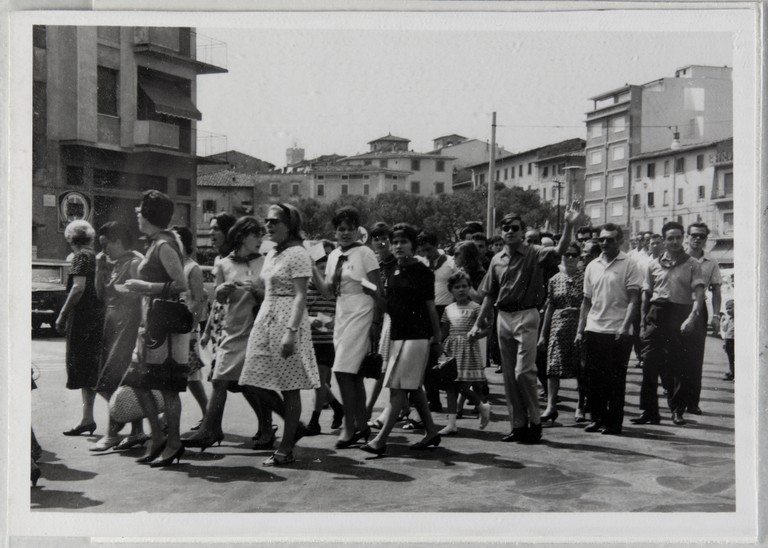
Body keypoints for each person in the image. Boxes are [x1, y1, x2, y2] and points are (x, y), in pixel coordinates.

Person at [468, 203, 581, 444]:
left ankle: (535, 421)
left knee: (523, 373)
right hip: (503, 317)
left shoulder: (534, 252)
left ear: (523, 231)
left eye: (515, 228)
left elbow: (559, 251)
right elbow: (489, 293)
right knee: (509, 376)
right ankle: (518, 425)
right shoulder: (497, 259)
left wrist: (569, 225)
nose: (510, 231)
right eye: (506, 228)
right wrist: (479, 323)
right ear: (501, 232)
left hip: (527, 314)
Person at [239, 203, 320, 466]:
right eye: (267, 221)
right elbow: (266, 289)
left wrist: (291, 332)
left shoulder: (297, 253)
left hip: (287, 320)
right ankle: (293, 425)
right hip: (266, 316)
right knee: (249, 378)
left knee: (290, 387)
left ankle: (285, 449)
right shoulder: (273, 253)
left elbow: (300, 296)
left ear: (290, 224)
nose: (269, 225)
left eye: (275, 221)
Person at [185, 217, 273, 451]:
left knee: (250, 382)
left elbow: (272, 295)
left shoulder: (265, 262)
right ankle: (212, 429)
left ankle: (262, 428)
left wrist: (257, 291)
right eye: (256, 235)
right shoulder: (224, 264)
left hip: (257, 328)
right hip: (231, 330)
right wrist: (221, 291)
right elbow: (218, 301)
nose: (260, 240)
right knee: (224, 380)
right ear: (242, 236)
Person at [360, 223, 443, 456]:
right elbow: (391, 309)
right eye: (395, 242)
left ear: (413, 246)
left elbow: (430, 307)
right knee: (414, 389)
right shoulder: (394, 271)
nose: (397, 246)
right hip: (398, 335)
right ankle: (431, 432)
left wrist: (436, 337)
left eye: (403, 242)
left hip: (416, 337)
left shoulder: (423, 272)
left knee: (397, 389)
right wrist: (375, 294)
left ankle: (380, 440)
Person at [122, 190, 190, 467]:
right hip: (151, 323)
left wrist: (144, 287)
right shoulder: (156, 243)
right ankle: (159, 437)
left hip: (165, 326)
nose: (136, 214)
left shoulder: (163, 245)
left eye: (139, 210)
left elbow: (181, 284)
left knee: (168, 388)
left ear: (148, 215)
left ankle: (173, 442)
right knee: (138, 381)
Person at [312, 207, 384, 449]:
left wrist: (375, 322)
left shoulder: (365, 253)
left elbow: (378, 290)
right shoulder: (333, 256)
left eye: (350, 228)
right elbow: (328, 291)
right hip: (342, 313)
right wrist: (311, 267)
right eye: (341, 229)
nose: (345, 233)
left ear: (357, 231)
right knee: (352, 375)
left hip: (362, 310)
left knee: (342, 371)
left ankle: (348, 427)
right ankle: (362, 426)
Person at [632, 221, 705, 426]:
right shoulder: (653, 264)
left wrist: (692, 317)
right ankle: (649, 412)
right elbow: (646, 294)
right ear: (664, 240)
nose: (674, 242)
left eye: (678, 237)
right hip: (657, 314)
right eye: (670, 238)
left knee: (677, 366)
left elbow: (699, 294)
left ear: (683, 238)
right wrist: (643, 321)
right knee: (649, 365)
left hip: (680, 314)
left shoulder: (692, 263)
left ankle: (677, 410)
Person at [575, 224, 642, 435]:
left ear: (619, 241)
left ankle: (613, 423)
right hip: (594, 329)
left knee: (614, 380)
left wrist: (624, 327)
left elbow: (634, 300)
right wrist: (580, 329)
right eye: (602, 239)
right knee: (593, 379)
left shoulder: (630, 264)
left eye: (610, 240)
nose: (604, 243)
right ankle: (597, 418)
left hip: (618, 331)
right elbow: (586, 302)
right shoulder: (592, 265)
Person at [89, 222, 146, 451]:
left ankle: (113, 431)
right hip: (111, 324)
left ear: (119, 242)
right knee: (122, 382)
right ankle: (137, 431)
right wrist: (98, 268)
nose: (104, 251)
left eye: (106, 245)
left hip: (128, 326)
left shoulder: (134, 262)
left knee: (110, 380)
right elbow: (100, 294)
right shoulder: (114, 264)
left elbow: (142, 295)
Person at [57, 220, 104, 437]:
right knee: (90, 370)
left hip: (84, 319)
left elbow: (78, 288)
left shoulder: (81, 257)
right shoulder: (94, 255)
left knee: (87, 369)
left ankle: (130, 415)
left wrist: (62, 314)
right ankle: (87, 419)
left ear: (70, 239)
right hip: (97, 317)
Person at [438, 271, 491, 435]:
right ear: (451, 290)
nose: (461, 290)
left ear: (469, 288)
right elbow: (444, 331)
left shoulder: (476, 308)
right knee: (450, 387)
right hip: (452, 350)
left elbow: (488, 328)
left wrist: (477, 335)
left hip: (467, 349)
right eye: (457, 287)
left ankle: (481, 405)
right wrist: (438, 347)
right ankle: (452, 423)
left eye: (464, 286)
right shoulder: (448, 309)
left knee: (461, 385)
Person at [538, 242, 584, 424]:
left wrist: (577, 311)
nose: (570, 258)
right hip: (558, 327)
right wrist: (543, 334)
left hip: (579, 326)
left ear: (579, 257)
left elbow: (589, 303)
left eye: (574, 255)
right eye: (567, 255)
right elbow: (550, 307)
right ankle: (551, 406)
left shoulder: (585, 277)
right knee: (553, 367)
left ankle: (580, 405)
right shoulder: (554, 279)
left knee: (581, 367)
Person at [305, 242, 344, 436]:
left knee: (319, 381)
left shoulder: (333, 292)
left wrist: (333, 322)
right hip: (309, 341)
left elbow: (341, 313)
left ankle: (315, 421)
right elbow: (299, 311)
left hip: (326, 342)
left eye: (326, 269)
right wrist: (310, 319)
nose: (323, 273)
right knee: (316, 381)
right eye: (319, 269)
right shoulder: (305, 288)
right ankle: (338, 407)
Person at [173, 226, 209, 432]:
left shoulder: (191, 268)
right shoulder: (174, 265)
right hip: (175, 327)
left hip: (186, 329)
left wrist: (192, 327)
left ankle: (207, 415)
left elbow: (197, 301)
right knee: (184, 376)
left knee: (192, 376)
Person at [417, 231, 457, 413]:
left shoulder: (450, 263)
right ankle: (433, 399)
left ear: (436, 244)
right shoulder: (421, 262)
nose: (427, 253)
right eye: (423, 250)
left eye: (430, 249)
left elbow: (460, 286)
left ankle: (449, 397)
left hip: (445, 311)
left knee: (440, 353)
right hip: (425, 311)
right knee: (426, 357)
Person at [685, 222, 722, 414]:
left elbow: (716, 290)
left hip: (699, 311)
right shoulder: (679, 257)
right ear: (687, 237)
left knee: (695, 358)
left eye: (701, 236)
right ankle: (675, 398)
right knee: (672, 355)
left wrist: (716, 316)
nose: (697, 239)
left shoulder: (711, 262)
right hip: (677, 308)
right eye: (694, 235)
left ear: (706, 240)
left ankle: (692, 402)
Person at [200, 213, 238, 389]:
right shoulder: (218, 259)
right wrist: (207, 330)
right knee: (224, 381)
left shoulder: (237, 258)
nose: (211, 233)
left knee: (228, 381)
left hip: (235, 324)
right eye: (210, 229)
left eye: (216, 229)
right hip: (219, 325)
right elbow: (216, 301)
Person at [366, 222, 398, 426]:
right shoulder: (375, 263)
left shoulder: (397, 263)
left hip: (396, 318)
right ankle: (398, 409)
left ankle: (370, 408)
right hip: (381, 317)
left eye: (383, 237)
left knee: (388, 368)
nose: (380, 242)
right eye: (375, 238)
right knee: (385, 366)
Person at [720, 299, 734, 381]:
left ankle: (733, 372)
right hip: (728, 340)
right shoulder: (729, 319)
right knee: (730, 357)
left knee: (733, 357)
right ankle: (731, 371)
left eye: (730, 308)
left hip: (733, 340)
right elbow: (725, 330)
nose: (728, 311)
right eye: (727, 309)